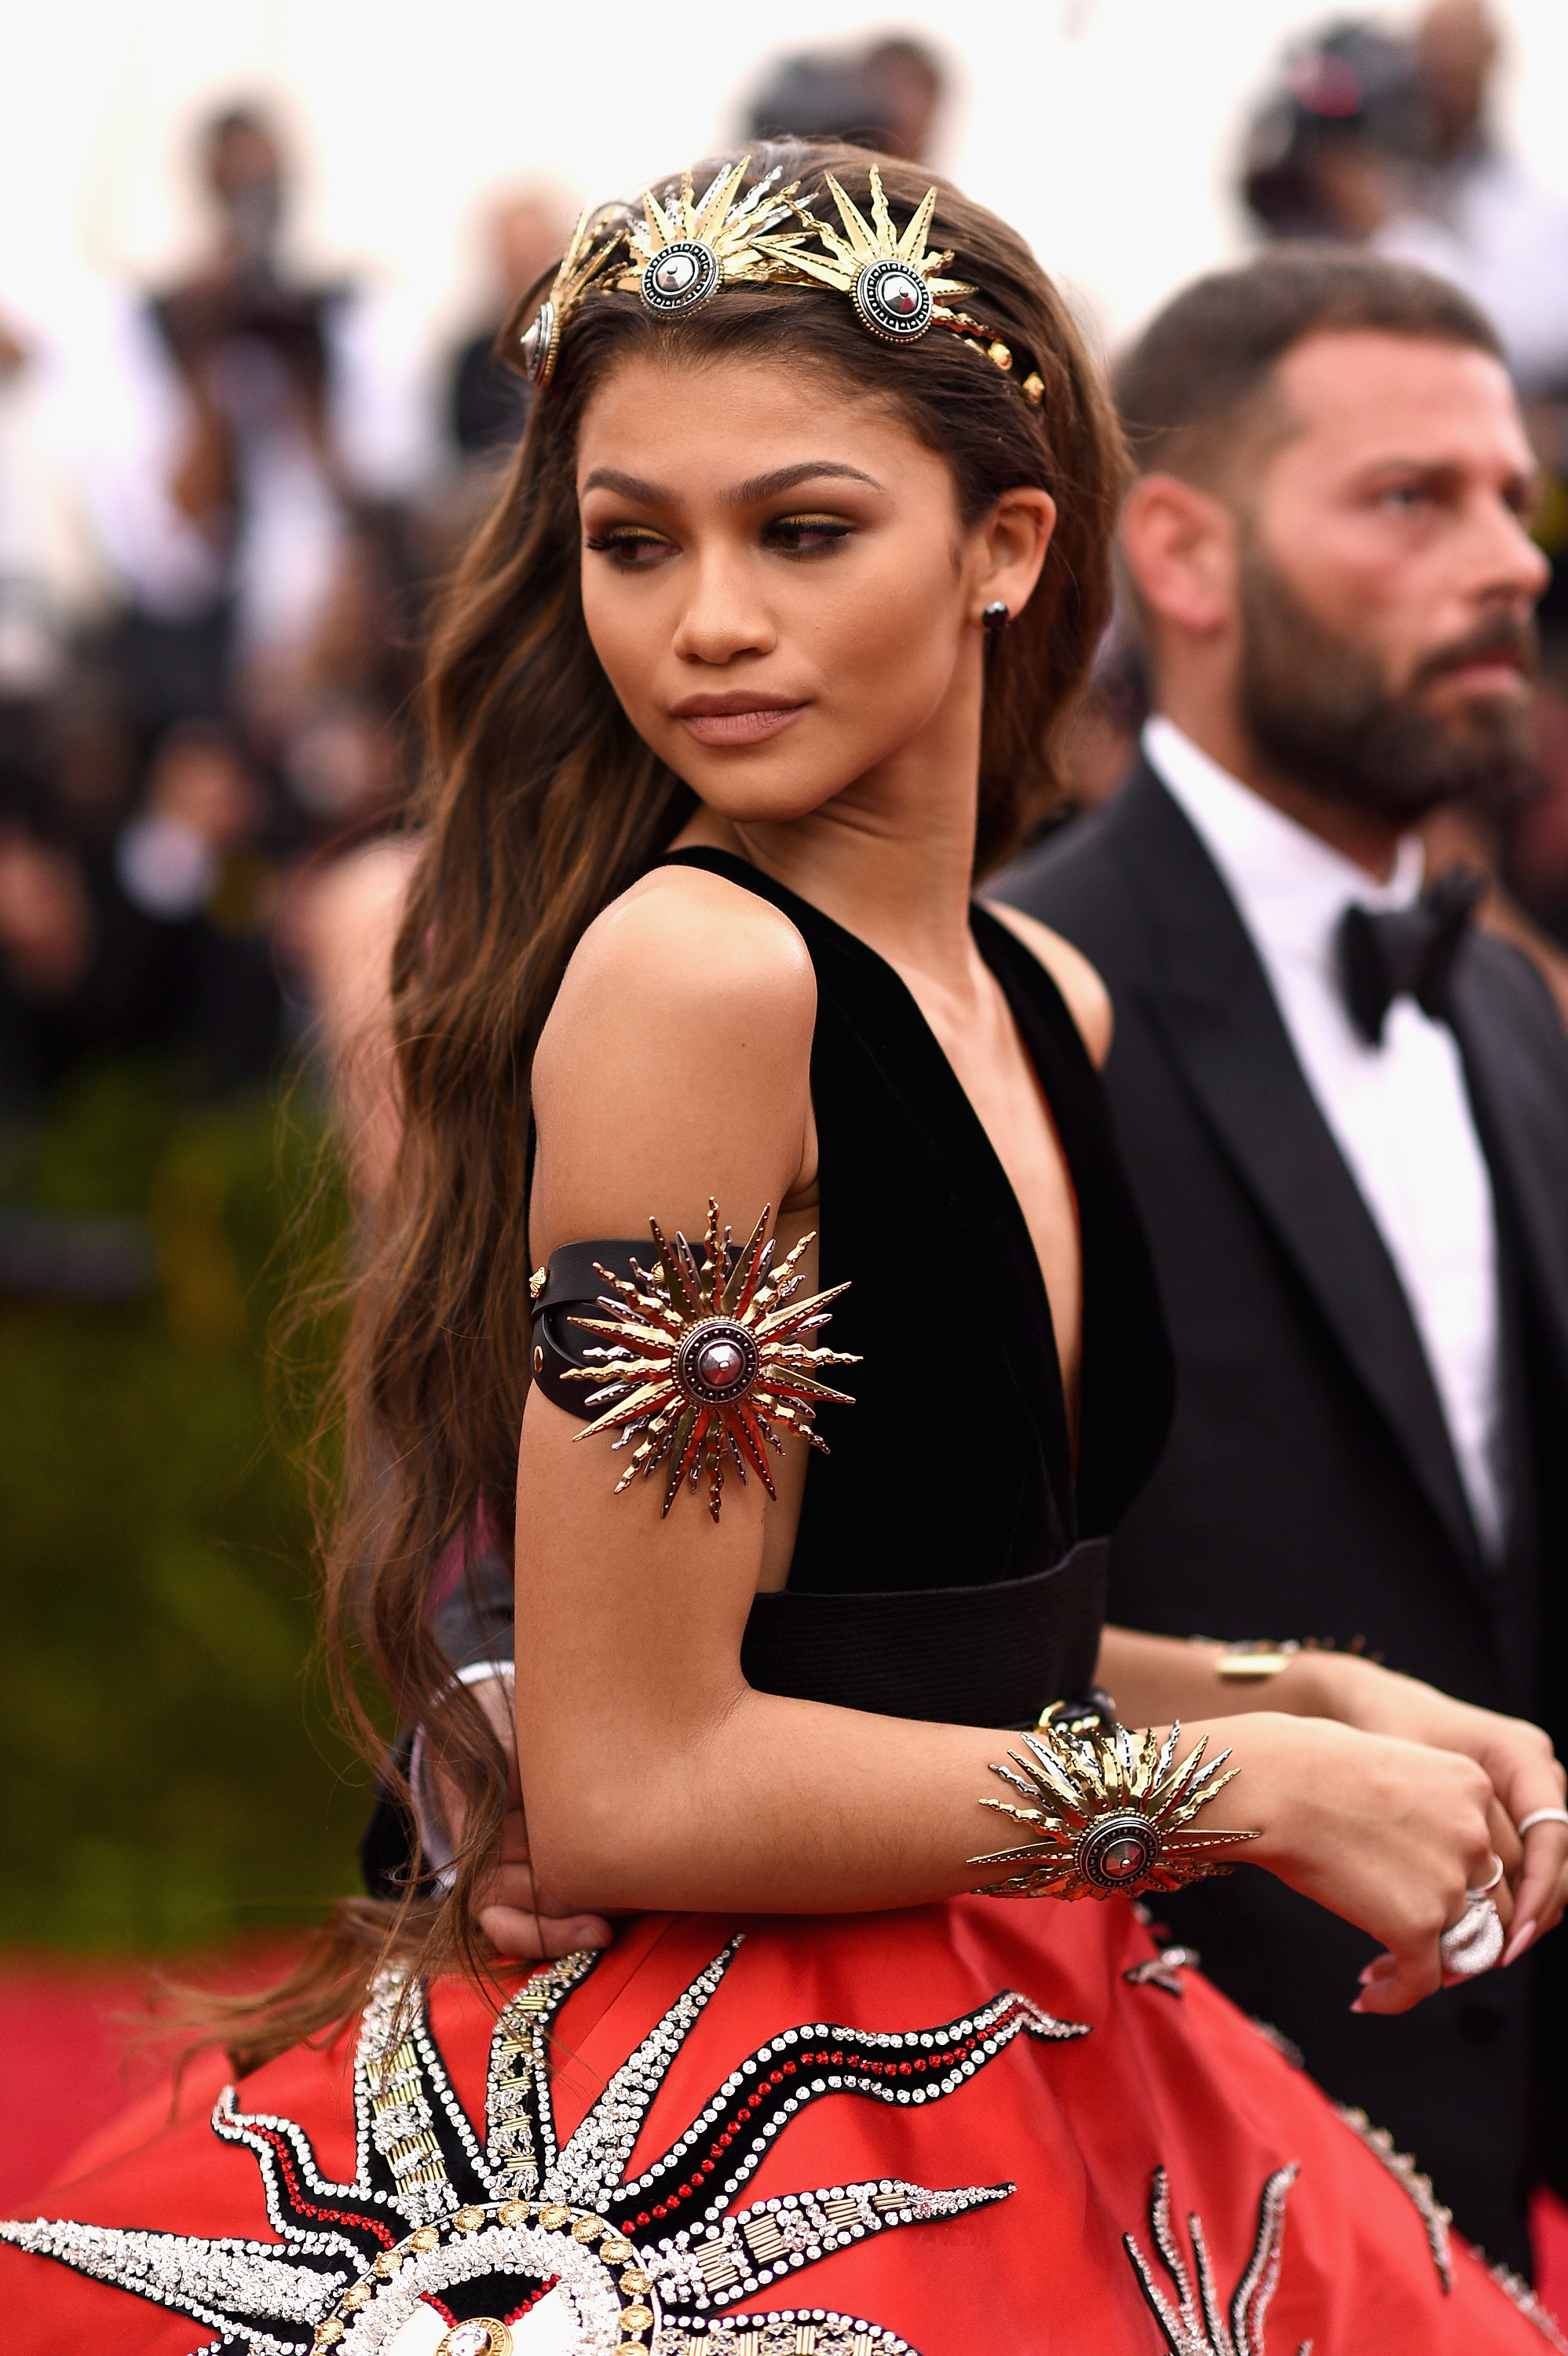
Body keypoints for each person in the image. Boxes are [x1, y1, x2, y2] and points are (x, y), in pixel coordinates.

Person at [5, 148, 1566, 2356]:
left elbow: (909, 1649)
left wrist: (1312, 1693)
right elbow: (645, 1775)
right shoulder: (692, 983)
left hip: (1039, 2031)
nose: (706, 621)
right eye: (633, 544)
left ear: (1006, 547)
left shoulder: (1044, 997)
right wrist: (1252, 1790)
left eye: (802, 532)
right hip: (754, 2119)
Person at [1002, 246, 1568, 2277]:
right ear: (1185, 551)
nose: (1507, 559)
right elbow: (880, 1625)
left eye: (1515, 499)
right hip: (1142, 2147)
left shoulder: (1505, 1006)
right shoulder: (1004, 1001)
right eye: (1411, 499)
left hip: (1494, 2162)